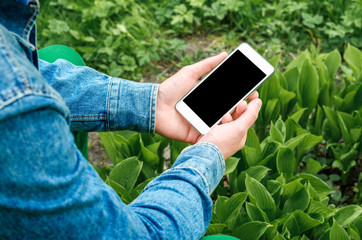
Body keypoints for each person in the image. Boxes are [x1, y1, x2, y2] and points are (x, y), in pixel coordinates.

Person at [0, 0, 262, 239]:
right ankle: (71, 191)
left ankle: (74, 181)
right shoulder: (17, 126)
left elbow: (23, 75)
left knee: (60, 55)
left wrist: (150, 103)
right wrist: (208, 156)